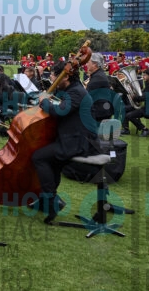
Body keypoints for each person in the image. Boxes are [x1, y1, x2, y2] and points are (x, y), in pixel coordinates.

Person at [30, 60, 97, 222]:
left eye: (54, 76)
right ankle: (46, 200)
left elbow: (61, 111)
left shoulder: (76, 92)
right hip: (72, 139)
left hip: (77, 142)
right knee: (53, 162)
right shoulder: (73, 89)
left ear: (65, 77)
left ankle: (51, 200)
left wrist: (45, 101)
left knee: (38, 157)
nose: (52, 79)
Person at [122, 68, 149, 136]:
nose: (143, 77)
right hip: (145, 107)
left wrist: (134, 97)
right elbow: (143, 94)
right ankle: (126, 129)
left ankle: (145, 129)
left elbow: (144, 97)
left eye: (145, 75)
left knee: (129, 115)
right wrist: (132, 90)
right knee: (124, 109)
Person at [85, 52, 114, 121]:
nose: (86, 64)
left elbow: (86, 95)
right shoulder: (98, 74)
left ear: (95, 64)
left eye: (88, 62)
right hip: (101, 112)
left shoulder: (98, 77)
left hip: (100, 114)